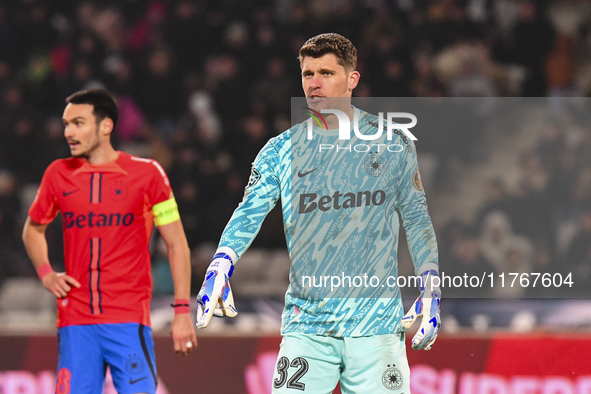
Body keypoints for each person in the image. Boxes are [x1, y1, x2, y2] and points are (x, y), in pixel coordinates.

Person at [196, 33, 440, 393]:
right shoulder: (280, 150)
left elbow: (417, 217)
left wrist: (431, 285)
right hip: (307, 325)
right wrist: (221, 261)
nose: (314, 83)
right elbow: (249, 210)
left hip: (376, 326)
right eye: (307, 74)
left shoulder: (392, 143)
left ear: (352, 80)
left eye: (326, 72)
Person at [22, 89, 197, 394]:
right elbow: (32, 230)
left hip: (128, 320)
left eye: (78, 123)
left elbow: (177, 245)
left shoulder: (148, 174)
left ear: (106, 126)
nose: (68, 132)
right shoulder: (58, 174)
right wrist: (46, 273)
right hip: (75, 322)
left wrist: (182, 311)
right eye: (66, 124)